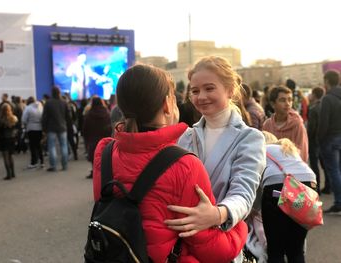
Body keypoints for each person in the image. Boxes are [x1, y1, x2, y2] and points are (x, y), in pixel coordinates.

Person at [92, 64, 248, 263]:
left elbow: (103, 205)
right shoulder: (184, 165)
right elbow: (211, 249)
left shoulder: (104, 151)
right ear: (167, 104)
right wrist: (241, 226)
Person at [165, 56, 265, 262]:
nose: (201, 96)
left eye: (209, 88)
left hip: (223, 244)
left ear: (230, 89)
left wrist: (218, 214)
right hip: (183, 245)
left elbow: (244, 194)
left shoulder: (250, 138)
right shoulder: (185, 136)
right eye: (195, 91)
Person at [261, 131, 317, 263]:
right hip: (307, 187)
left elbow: (256, 190)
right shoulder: (288, 150)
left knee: (275, 249)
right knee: (296, 249)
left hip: (276, 188)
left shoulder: (261, 149)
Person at [263, 86, 309, 162]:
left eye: (290, 100)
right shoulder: (267, 125)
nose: (287, 103)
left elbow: (303, 153)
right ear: (273, 104)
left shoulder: (297, 124)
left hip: (292, 169)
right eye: (282, 100)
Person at [318, 70, 341, 213]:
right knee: (338, 170)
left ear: (327, 81)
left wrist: (319, 140)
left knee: (333, 171)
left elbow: (323, 123)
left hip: (330, 139)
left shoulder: (327, 99)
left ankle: (339, 202)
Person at [42, 86, 70, 172]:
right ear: (59, 92)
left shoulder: (48, 103)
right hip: (62, 127)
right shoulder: (64, 102)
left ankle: (53, 166)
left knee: (52, 147)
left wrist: (44, 128)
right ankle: (64, 165)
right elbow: (68, 116)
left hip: (51, 127)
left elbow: (45, 117)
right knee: (64, 146)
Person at [82, 97, 112, 179]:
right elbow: (110, 126)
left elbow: (85, 128)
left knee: (94, 157)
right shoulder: (107, 113)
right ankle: (106, 173)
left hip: (93, 139)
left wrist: (86, 138)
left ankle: (94, 172)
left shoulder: (89, 114)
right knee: (105, 156)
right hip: (105, 138)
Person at [307, 87, 328, 194]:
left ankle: (317, 188)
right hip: (324, 139)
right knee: (325, 165)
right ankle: (328, 186)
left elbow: (311, 127)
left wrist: (308, 137)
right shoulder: (325, 106)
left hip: (314, 141)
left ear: (314, 95)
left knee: (315, 166)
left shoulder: (313, 108)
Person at [0, 103, 18, 180]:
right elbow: (15, 129)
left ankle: (8, 174)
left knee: (5, 157)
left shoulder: (0, 120)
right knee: (11, 156)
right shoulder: (13, 118)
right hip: (11, 139)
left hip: (4, 139)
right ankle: (13, 173)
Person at [22, 96, 44, 168]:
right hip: (40, 128)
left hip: (31, 128)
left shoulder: (28, 108)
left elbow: (24, 119)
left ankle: (33, 162)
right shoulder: (40, 107)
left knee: (32, 146)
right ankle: (42, 161)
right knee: (39, 145)